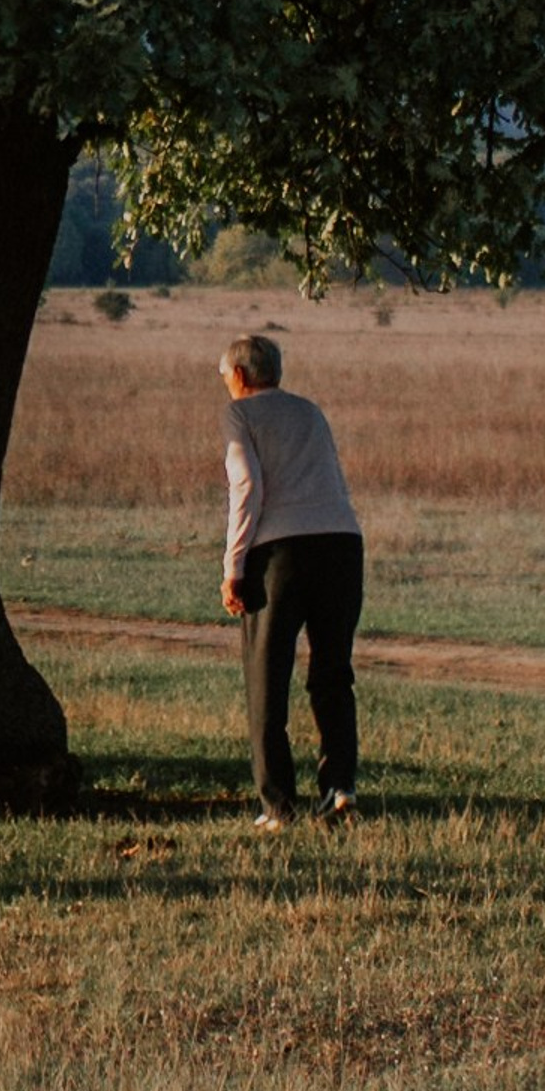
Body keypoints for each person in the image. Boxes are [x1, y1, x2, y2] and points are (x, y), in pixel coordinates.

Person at [218, 334, 366, 831]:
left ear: (239, 376)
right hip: (343, 544)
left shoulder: (240, 415)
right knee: (332, 672)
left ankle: (278, 806)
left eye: (225, 378)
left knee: (267, 678)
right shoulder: (310, 411)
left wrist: (233, 567)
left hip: (280, 552)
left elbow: (247, 487)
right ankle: (339, 787)